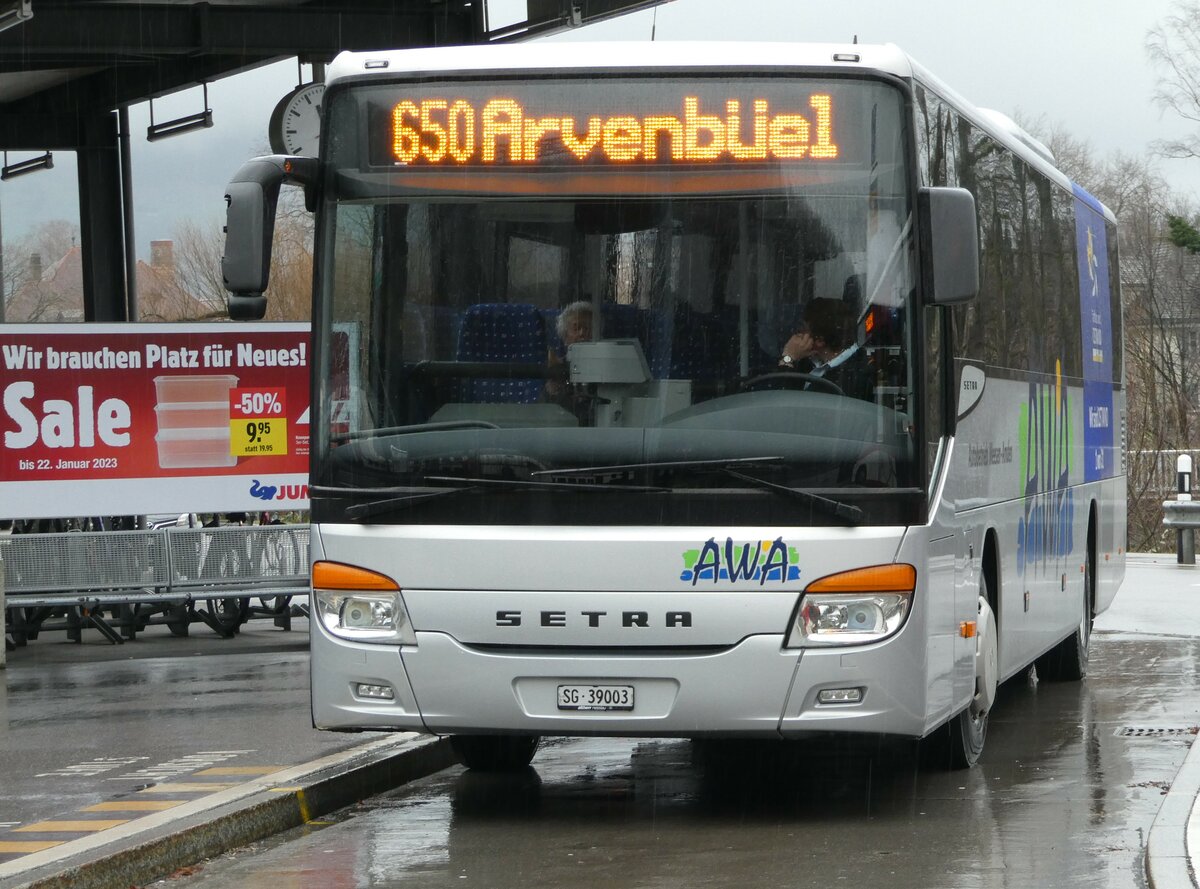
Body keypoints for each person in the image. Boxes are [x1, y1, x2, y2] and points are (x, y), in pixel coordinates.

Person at [777, 298, 871, 398]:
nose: (796, 336)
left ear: (820, 341)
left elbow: (784, 402)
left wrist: (788, 357)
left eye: (802, 330)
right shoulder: (809, 362)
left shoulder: (853, 375)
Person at [544, 300, 594, 412]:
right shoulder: (557, 366)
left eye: (588, 328)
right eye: (576, 328)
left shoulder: (607, 367)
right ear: (565, 337)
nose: (582, 333)